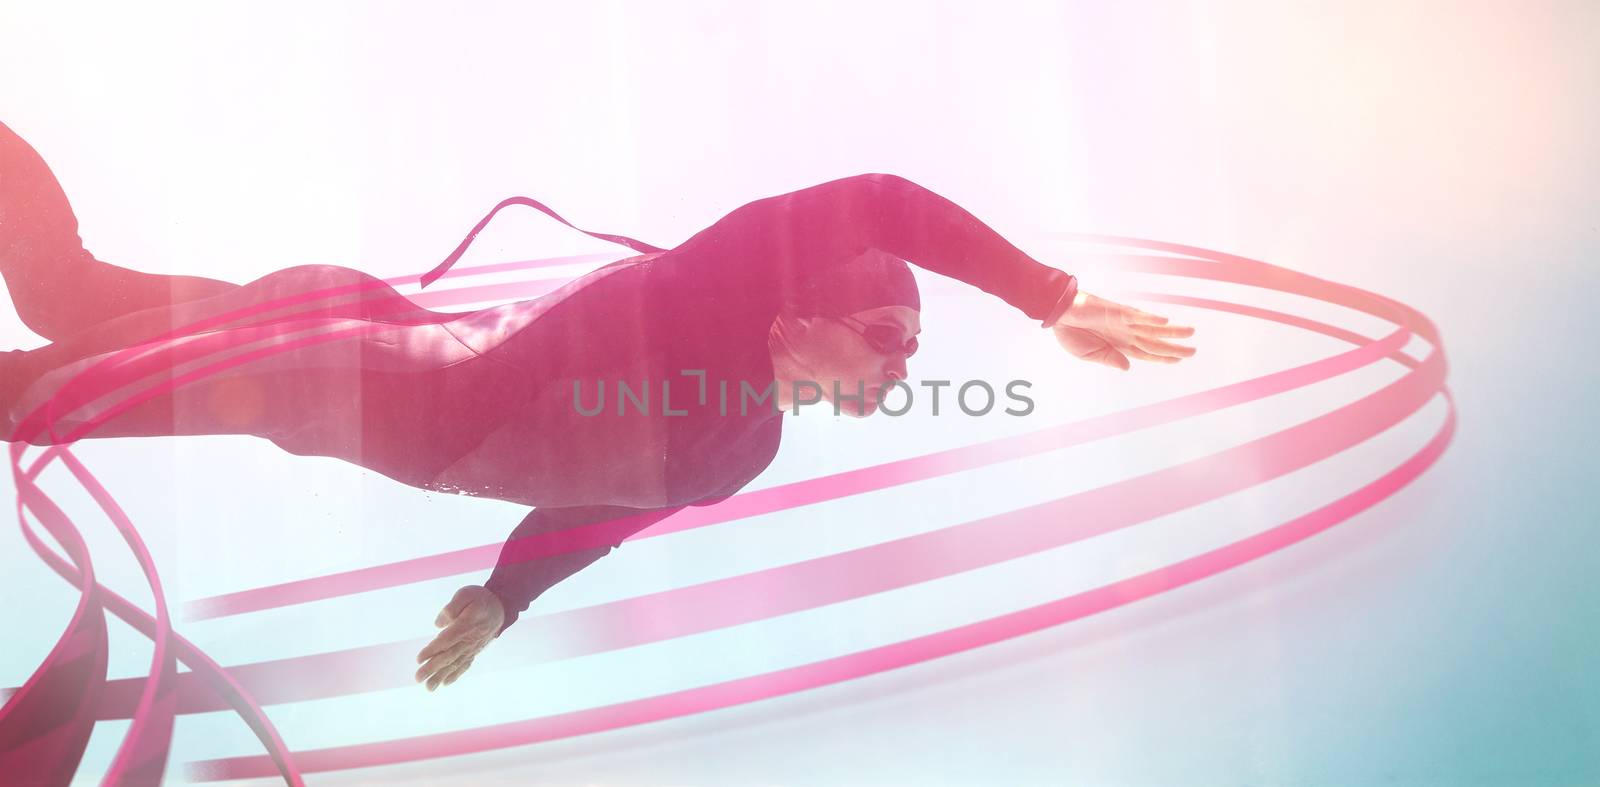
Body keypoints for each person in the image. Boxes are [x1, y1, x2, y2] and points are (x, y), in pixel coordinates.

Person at [0, 122, 1196, 691]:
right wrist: (1048, 297)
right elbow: (878, 198)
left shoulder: (745, 451)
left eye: (914, 352)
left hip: (325, 357)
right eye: (891, 333)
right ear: (803, 308)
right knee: (36, 395)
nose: (901, 365)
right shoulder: (706, 298)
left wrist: (503, 597)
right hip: (330, 357)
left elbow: (596, 513)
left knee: (64, 292)